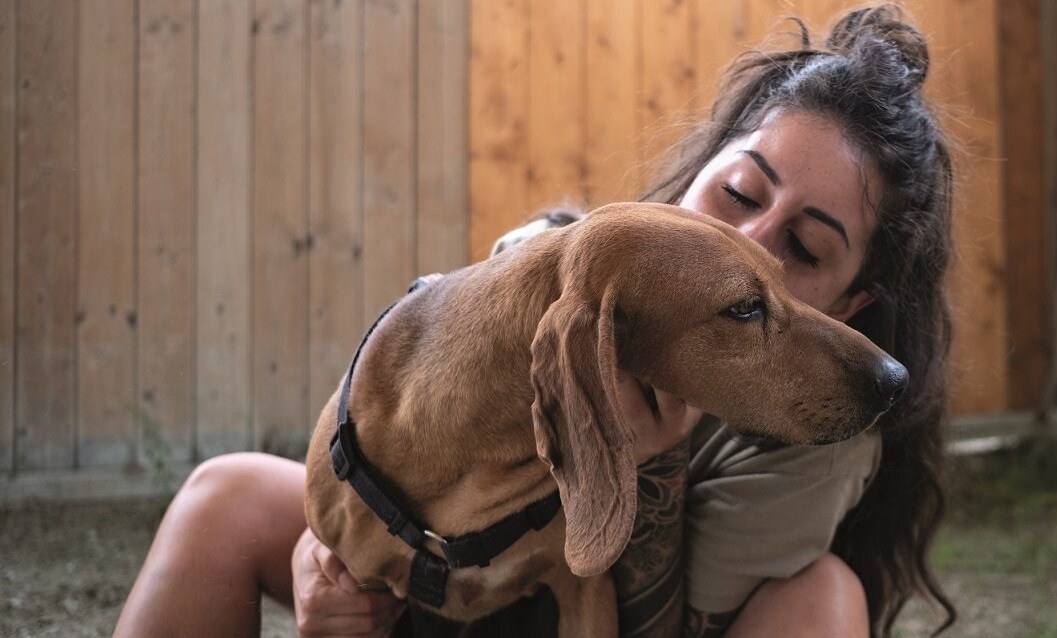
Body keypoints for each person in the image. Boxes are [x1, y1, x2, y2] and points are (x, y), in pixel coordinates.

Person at [115, 5, 956, 637]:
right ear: (701, 168)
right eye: (738, 192)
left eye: (804, 249)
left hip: (591, 612)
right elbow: (401, 457)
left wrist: (653, 466)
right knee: (223, 494)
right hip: (442, 588)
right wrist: (326, 560)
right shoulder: (545, 277)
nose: (747, 242)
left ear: (847, 307)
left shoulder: (820, 439)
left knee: (824, 600)